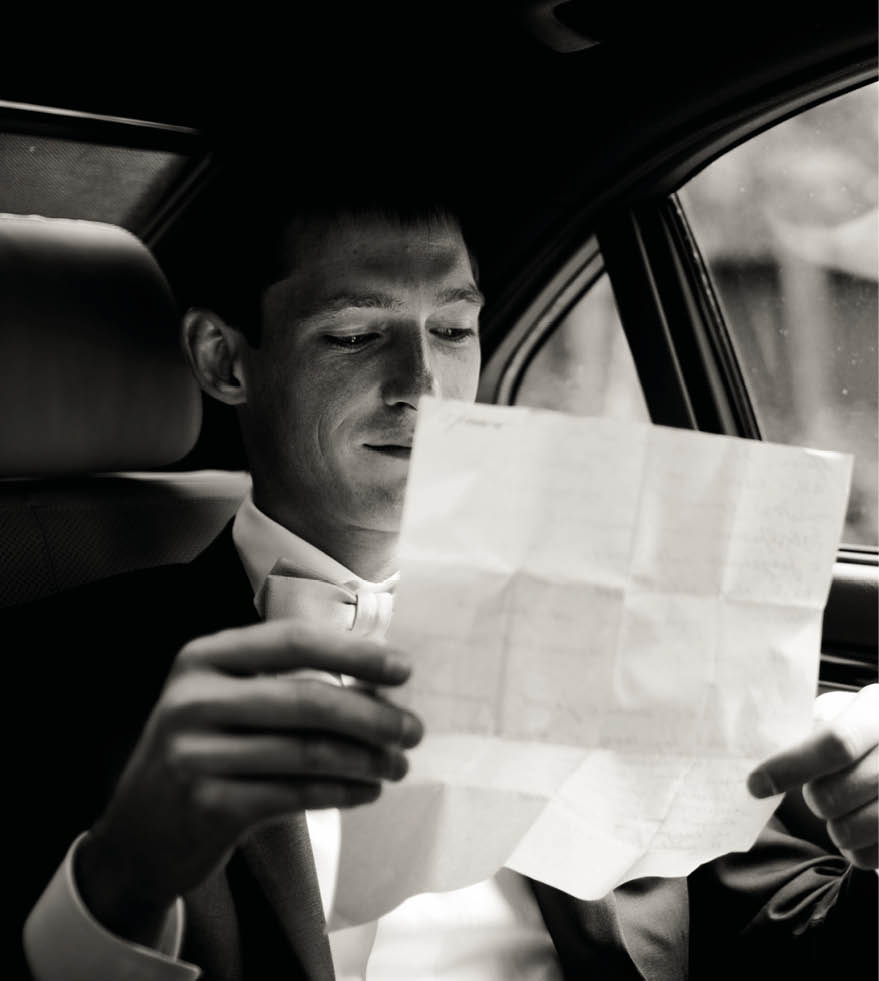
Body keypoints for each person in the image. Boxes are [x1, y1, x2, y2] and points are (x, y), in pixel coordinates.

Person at [15, 189, 879, 980]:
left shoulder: (610, 617)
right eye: (356, 334)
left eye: (453, 330)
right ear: (224, 359)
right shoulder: (51, 670)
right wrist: (125, 874)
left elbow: (786, 931)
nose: (424, 386)